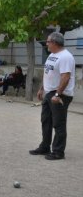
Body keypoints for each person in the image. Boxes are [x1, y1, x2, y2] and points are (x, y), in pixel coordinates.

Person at [29, 32, 75, 160]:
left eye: (48, 41)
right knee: (46, 121)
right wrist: (41, 88)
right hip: (49, 92)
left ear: (55, 42)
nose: (47, 44)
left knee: (58, 124)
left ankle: (58, 152)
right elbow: (48, 72)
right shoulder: (52, 55)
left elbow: (65, 77)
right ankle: (45, 146)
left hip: (61, 94)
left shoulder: (66, 57)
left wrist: (57, 94)